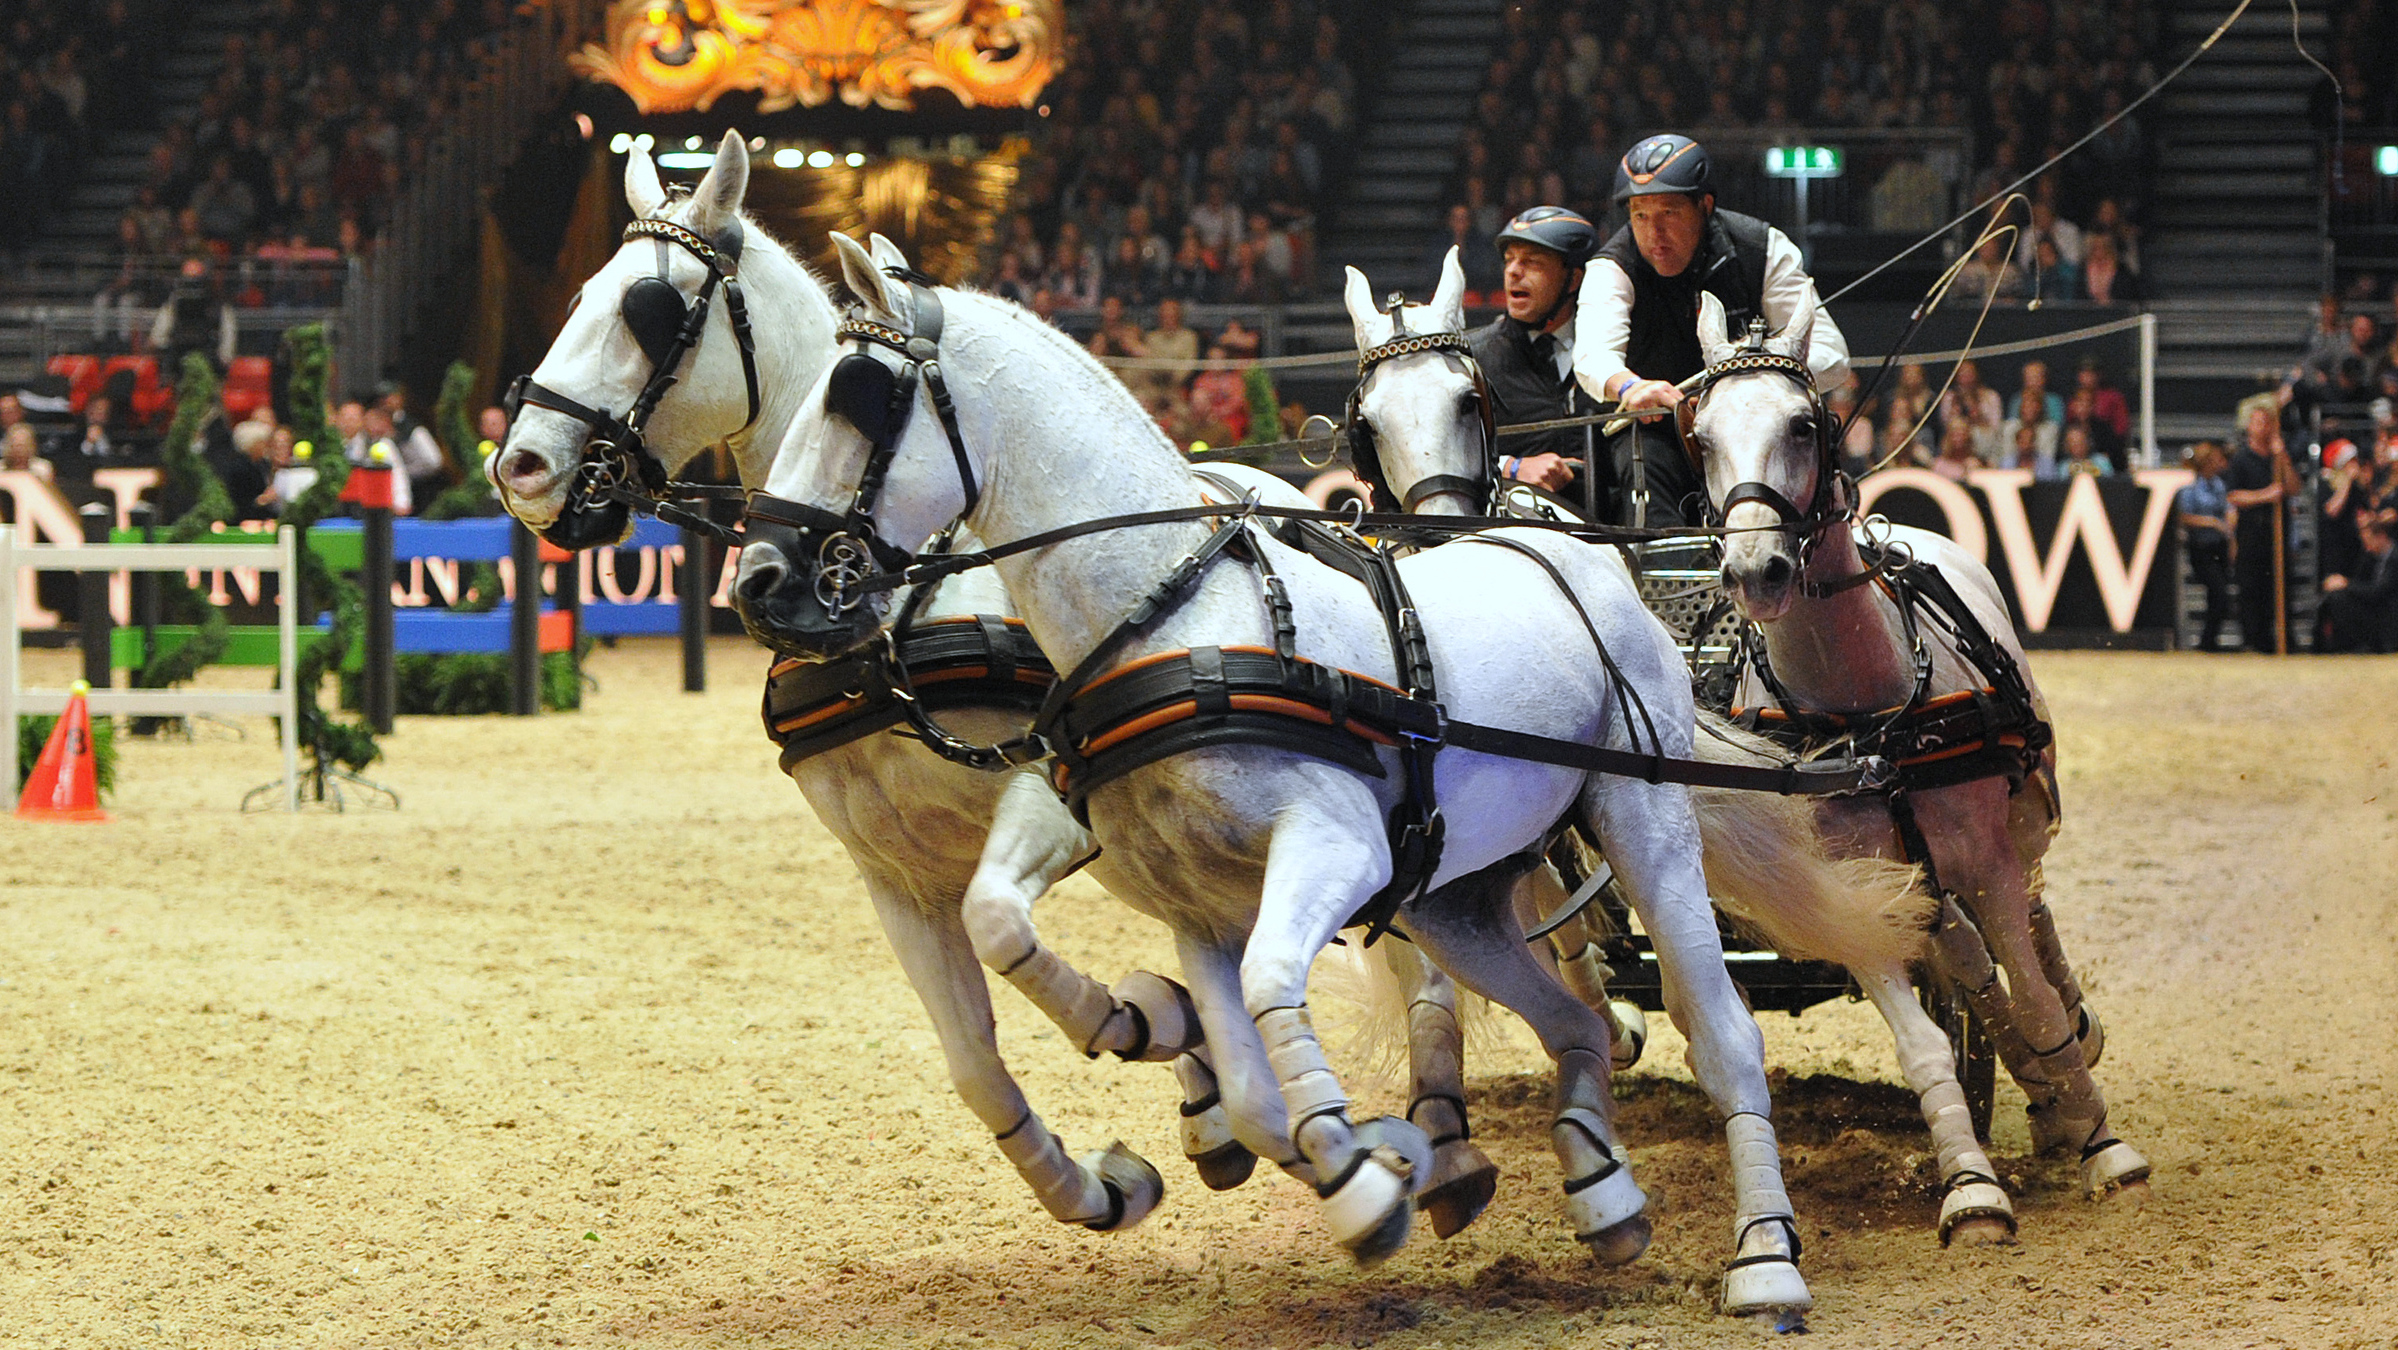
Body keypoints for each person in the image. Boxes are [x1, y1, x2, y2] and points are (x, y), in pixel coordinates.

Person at [1573, 134, 1851, 527]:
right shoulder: (1611, 267)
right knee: (1641, 455)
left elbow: (1834, 355)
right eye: (1640, 215)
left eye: (1668, 213)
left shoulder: (1764, 248)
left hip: (1754, 425)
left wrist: (1761, 374)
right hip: (1657, 432)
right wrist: (1631, 388)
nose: (1654, 233)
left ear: (1704, 206)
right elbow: (1591, 357)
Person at [1466, 205, 1607, 511]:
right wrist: (1512, 468)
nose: (1513, 271)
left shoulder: (1611, 351)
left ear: (1573, 280)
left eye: (1532, 262)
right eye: (1509, 261)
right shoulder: (1473, 357)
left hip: (1611, 534)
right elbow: (1439, 451)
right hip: (1513, 535)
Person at [2227, 398, 2298, 653]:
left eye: (2266, 422)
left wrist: (2283, 457)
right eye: (2258, 422)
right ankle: (2254, 642)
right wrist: (2265, 495)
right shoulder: (2241, 459)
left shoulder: (2278, 458)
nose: (2262, 427)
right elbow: (2234, 495)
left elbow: (2293, 488)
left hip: (2276, 533)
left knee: (2279, 589)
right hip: (2251, 533)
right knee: (2251, 590)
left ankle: (2282, 642)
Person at [2177, 442, 2234, 651]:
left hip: (2218, 546)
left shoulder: (2218, 484)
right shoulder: (2190, 485)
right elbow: (2183, 516)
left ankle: (2210, 641)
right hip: (2200, 546)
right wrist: (2213, 522)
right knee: (2219, 592)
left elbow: (2227, 507)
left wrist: (2228, 525)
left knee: (2217, 595)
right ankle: (2207, 641)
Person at [2315, 514, 2398, 653]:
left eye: (2369, 541)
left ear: (2381, 536)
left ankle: (2375, 644)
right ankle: (2327, 647)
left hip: (2388, 614)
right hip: (2375, 607)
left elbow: (2379, 592)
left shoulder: (2394, 558)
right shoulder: (2371, 558)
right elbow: (2360, 582)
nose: (2367, 547)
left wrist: (2346, 583)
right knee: (2336, 597)